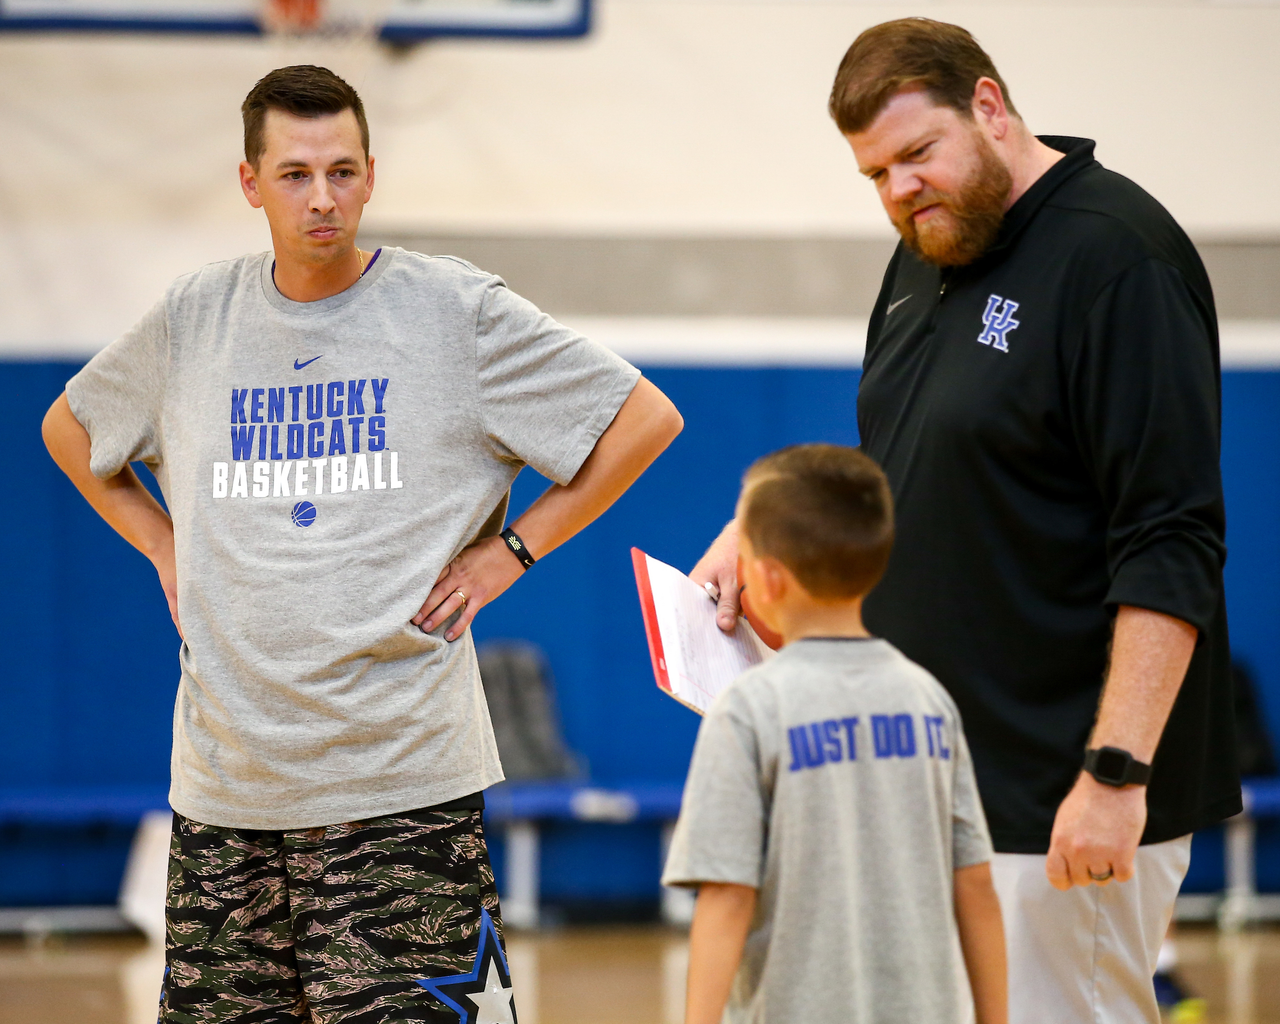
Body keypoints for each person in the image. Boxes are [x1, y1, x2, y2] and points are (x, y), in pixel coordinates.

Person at [42, 65, 683, 1023]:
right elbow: (69, 430)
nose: (322, 198)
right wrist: (161, 544)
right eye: (295, 174)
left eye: (343, 171)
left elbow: (644, 418)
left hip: (400, 790)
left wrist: (514, 550)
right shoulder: (192, 318)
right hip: (228, 794)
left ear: (372, 175)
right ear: (251, 182)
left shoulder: (453, 311)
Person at [692, 19, 1239, 1024]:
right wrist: (763, 524)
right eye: (874, 175)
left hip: (1060, 792)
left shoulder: (1117, 258)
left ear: (988, 108)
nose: (898, 189)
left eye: (914, 154)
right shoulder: (923, 251)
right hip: (936, 783)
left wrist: (1114, 774)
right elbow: (921, 458)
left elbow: (1171, 536)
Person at [664, 444, 1006, 1024]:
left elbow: (726, 896)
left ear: (765, 579)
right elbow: (974, 884)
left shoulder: (747, 709)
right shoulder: (929, 700)